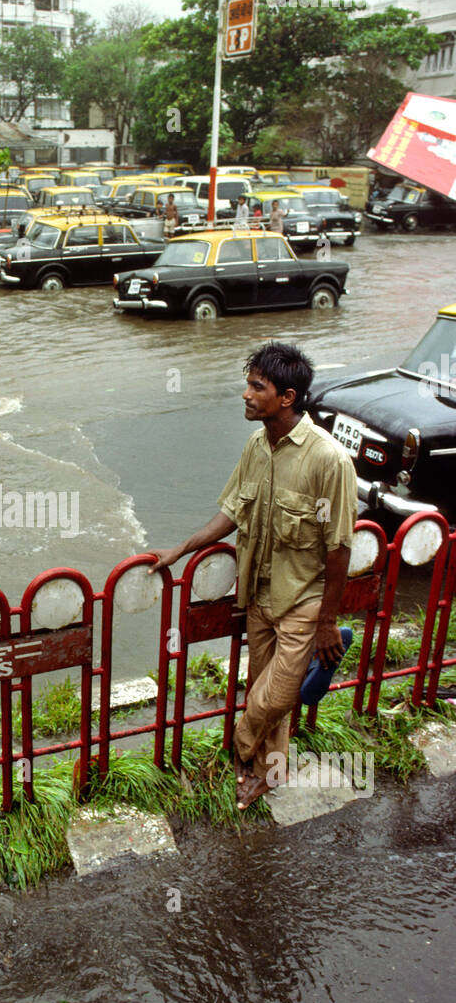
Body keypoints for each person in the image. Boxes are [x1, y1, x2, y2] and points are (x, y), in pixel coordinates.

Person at [149, 342, 357, 811]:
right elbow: (231, 511)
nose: (245, 394)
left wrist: (326, 622)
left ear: (286, 397)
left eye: (256, 387)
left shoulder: (329, 461)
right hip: (260, 595)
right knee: (266, 693)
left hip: (304, 599)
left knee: (268, 702)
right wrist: (181, 548)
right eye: (248, 384)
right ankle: (267, 772)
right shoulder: (256, 446)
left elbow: (339, 546)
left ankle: (240, 749)